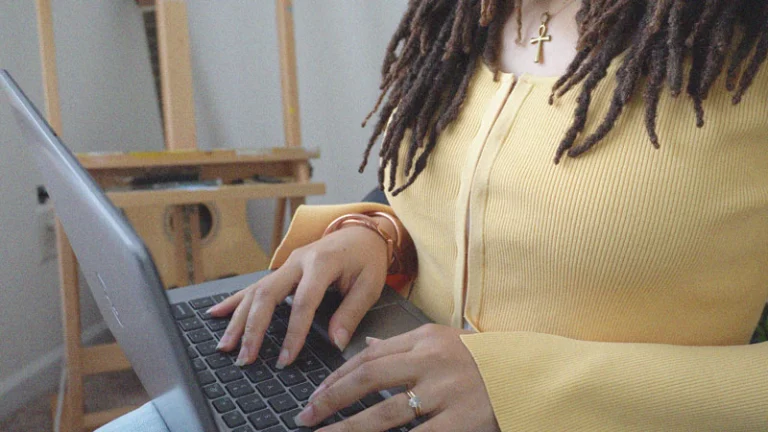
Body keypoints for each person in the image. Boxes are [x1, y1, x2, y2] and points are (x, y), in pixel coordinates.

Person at [100, 1, 768, 431]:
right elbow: (445, 203)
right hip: (384, 389)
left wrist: (523, 388)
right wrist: (373, 236)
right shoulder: (464, 17)